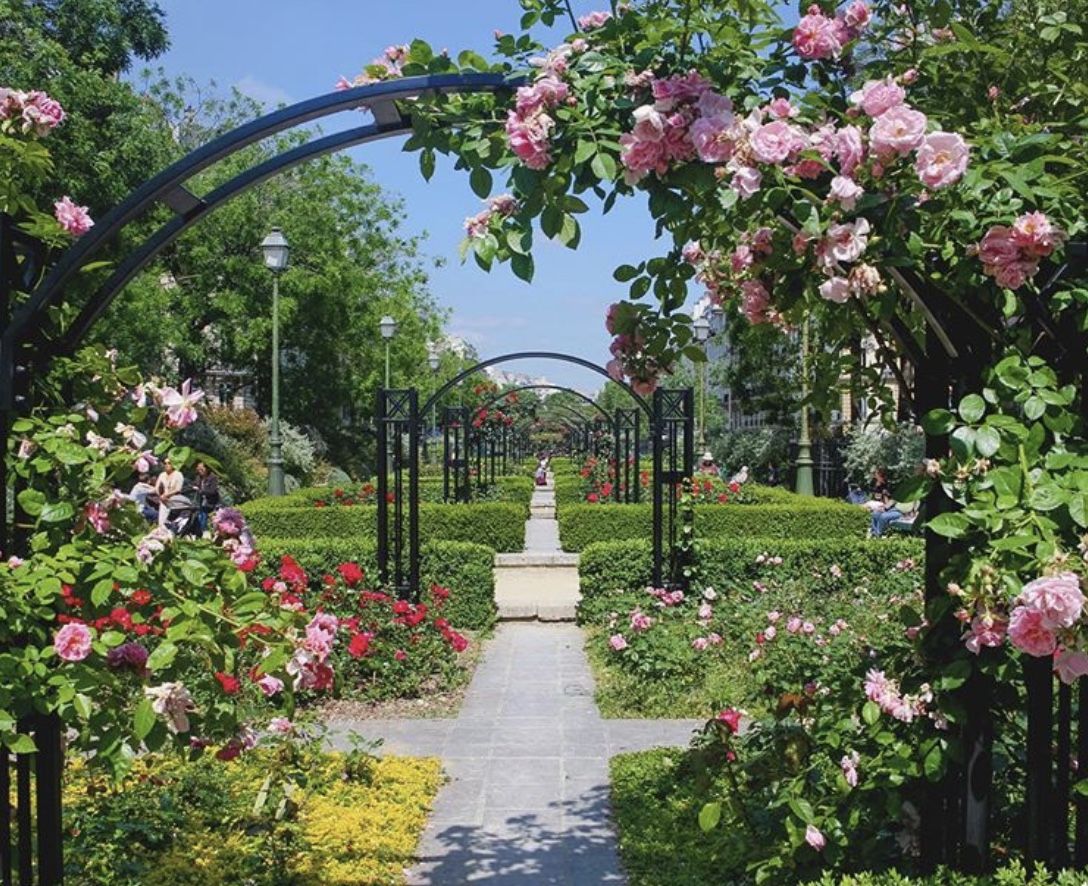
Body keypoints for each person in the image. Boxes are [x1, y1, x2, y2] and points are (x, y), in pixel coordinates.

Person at [867, 468, 903, 537]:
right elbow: (877, 497)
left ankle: (877, 534)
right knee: (875, 514)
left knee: (883, 516)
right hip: (887, 508)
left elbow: (893, 500)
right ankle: (874, 532)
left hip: (895, 510)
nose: (875, 478)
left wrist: (885, 507)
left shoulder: (890, 486)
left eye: (877, 476)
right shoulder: (878, 486)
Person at [155, 458, 184, 528]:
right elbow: (157, 487)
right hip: (163, 500)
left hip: (174, 500)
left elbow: (178, 489)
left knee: (171, 522)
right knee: (161, 522)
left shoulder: (178, 474)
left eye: (169, 463)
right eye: (165, 463)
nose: (167, 465)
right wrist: (160, 495)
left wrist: (167, 495)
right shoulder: (162, 475)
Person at [193, 461, 220, 533]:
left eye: (202, 469)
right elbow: (195, 485)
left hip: (210, 502)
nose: (200, 471)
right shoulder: (199, 477)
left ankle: (202, 531)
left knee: (204, 516)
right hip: (201, 501)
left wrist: (201, 491)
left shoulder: (213, 478)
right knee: (199, 515)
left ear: (207, 469)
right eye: (198, 469)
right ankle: (197, 531)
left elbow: (213, 491)